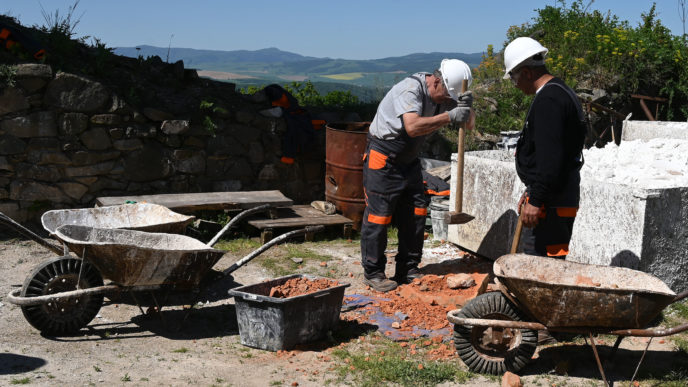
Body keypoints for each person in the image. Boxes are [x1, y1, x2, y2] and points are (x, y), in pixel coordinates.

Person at [360, 59, 474, 292]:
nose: (447, 102)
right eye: (445, 97)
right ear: (436, 81)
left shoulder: (446, 94)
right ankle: (373, 272)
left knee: (416, 212)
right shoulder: (410, 89)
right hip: (384, 158)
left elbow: (469, 125)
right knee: (379, 217)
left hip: (409, 160)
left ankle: (408, 269)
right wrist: (450, 116)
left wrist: (468, 109)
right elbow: (412, 127)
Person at [504, 37, 587, 258]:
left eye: (514, 77)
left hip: (552, 203)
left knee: (541, 267)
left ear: (528, 73)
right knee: (545, 263)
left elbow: (550, 157)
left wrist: (536, 199)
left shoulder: (549, 100)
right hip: (554, 197)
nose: (515, 84)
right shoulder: (559, 91)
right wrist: (532, 192)